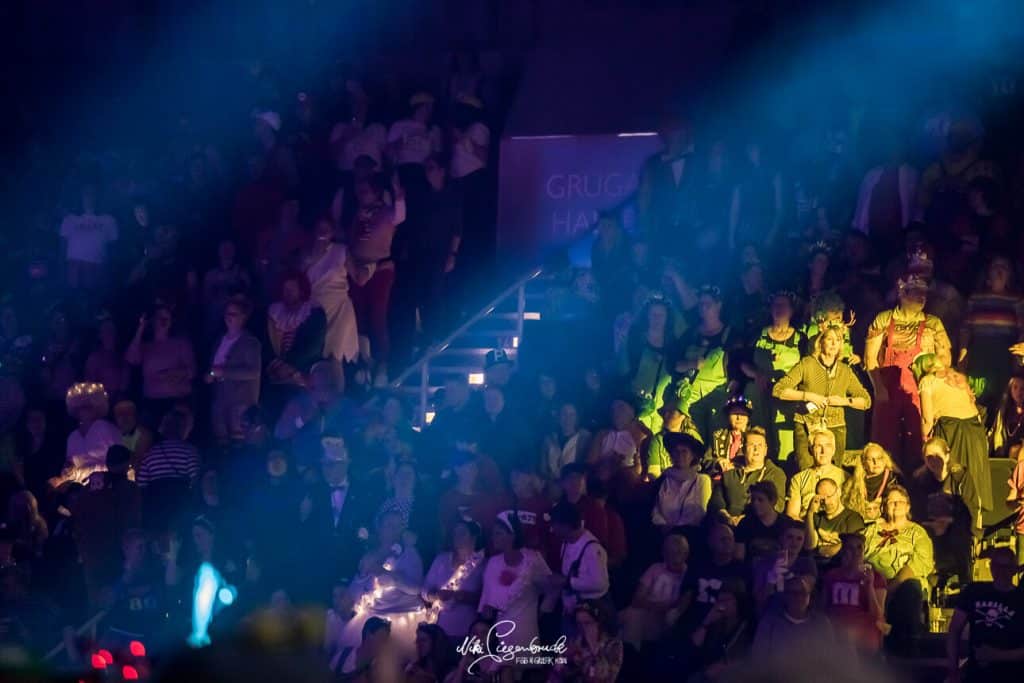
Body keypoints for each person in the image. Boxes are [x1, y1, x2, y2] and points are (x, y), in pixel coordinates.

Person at [864, 274, 952, 471]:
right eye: (916, 292)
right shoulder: (884, 319)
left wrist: (934, 382)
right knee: (884, 442)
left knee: (920, 440)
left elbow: (945, 358)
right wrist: (879, 389)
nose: (922, 297)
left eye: (924, 293)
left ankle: (920, 480)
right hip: (888, 390)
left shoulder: (933, 323)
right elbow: (870, 357)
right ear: (902, 293)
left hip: (920, 392)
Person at [773, 324, 871, 471]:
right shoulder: (807, 364)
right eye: (830, 339)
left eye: (838, 340)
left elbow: (866, 401)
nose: (834, 344)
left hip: (835, 427)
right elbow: (778, 390)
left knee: (833, 472)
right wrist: (808, 396)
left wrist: (844, 401)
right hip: (806, 424)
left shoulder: (845, 370)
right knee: (807, 471)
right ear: (821, 342)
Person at [341, 508, 426, 658]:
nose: (393, 530)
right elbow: (354, 592)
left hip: (402, 620)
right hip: (371, 619)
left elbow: (415, 588)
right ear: (379, 528)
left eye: (397, 526)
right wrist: (362, 576)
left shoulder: (409, 553)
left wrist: (387, 575)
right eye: (388, 525)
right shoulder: (369, 556)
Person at [914, 352, 992, 511]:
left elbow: (927, 421)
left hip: (951, 429)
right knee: (974, 479)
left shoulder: (927, 381)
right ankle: (975, 519)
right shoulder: (956, 378)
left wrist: (921, 439)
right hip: (975, 431)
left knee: (950, 478)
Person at [347, 173, 406, 384]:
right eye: (359, 191)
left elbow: (400, 215)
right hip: (356, 270)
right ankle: (364, 363)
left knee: (377, 316)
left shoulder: (387, 212)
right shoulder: (356, 215)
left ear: (376, 192)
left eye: (365, 191)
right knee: (358, 317)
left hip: (380, 268)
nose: (361, 195)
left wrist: (398, 194)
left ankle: (382, 364)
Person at [863, 485, 934, 655]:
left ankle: (907, 649)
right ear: (884, 506)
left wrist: (890, 587)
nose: (895, 505)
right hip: (872, 581)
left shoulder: (917, 533)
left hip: (901, 583)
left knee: (911, 588)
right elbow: (860, 554)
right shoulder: (872, 530)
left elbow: (919, 563)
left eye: (900, 501)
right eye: (891, 502)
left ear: (908, 506)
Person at [478, 511, 555, 651]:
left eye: (498, 533)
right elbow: (485, 602)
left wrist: (542, 613)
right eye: (493, 534)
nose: (493, 537)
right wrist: (487, 610)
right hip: (499, 632)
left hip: (526, 631)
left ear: (512, 535)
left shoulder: (533, 560)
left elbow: (551, 589)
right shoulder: (493, 563)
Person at [946, 547, 1024, 683]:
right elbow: (954, 630)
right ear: (991, 567)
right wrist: (953, 671)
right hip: (976, 675)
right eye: (998, 566)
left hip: (1011, 676)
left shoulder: (1020, 599)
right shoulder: (974, 591)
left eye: (1006, 567)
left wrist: (996, 655)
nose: (1001, 571)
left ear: (1014, 570)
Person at [911, 437, 981, 586]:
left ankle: (965, 585)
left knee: (960, 538)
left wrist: (948, 521)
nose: (933, 461)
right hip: (929, 525)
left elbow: (970, 507)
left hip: (956, 524)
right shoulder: (920, 479)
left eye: (938, 456)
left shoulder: (960, 476)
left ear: (947, 455)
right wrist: (932, 524)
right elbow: (917, 509)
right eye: (929, 457)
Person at [959, 256, 1024, 411]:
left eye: (1004, 267)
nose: (1000, 270)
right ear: (988, 273)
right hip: (979, 355)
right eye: (996, 266)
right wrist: (962, 354)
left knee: (1002, 401)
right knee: (976, 397)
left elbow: (1022, 330)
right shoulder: (975, 298)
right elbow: (966, 329)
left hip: (1004, 356)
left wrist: (1019, 358)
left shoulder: (1016, 300)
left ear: (1010, 275)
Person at [746, 290, 805, 462]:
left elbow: (807, 368)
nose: (779, 308)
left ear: (791, 310)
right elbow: (740, 362)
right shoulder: (758, 335)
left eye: (783, 305)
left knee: (785, 446)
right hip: (759, 396)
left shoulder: (801, 339)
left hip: (786, 399)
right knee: (758, 438)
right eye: (776, 305)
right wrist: (756, 374)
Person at [303, 216, 360, 364]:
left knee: (335, 354)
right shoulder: (305, 252)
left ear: (332, 232)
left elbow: (358, 277)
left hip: (339, 306)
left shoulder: (341, 250)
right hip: (316, 307)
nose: (322, 232)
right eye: (319, 229)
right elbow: (297, 275)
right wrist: (314, 255)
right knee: (316, 352)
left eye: (326, 229)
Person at [206, 295, 262, 443]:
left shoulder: (250, 342)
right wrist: (210, 375)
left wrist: (223, 372)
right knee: (222, 443)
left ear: (243, 317)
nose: (228, 317)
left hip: (240, 403)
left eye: (233, 314)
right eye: (227, 313)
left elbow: (253, 372)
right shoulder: (219, 340)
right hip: (220, 400)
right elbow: (213, 367)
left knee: (239, 443)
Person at [820, 533, 887, 655]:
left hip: (863, 630)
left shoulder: (876, 578)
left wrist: (869, 586)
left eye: (859, 547)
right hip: (835, 628)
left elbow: (878, 615)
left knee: (848, 637)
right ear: (843, 551)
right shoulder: (832, 575)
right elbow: (823, 607)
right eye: (850, 548)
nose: (855, 552)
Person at [621, 533, 691, 648]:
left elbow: (683, 604)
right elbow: (637, 599)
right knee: (632, 615)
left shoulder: (689, 575)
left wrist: (667, 609)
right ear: (664, 554)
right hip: (647, 613)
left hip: (669, 618)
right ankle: (629, 653)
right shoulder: (655, 569)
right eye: (670, 552)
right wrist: (659, 606)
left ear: (686, 554)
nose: (674, 557)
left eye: (678, 552)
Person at [547, 500, 610, 623]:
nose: (552, 529)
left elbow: (600, 583)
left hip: (590, 615)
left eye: (555, 525)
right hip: (571, 611)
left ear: (566, 525)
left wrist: (566, 581)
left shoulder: (592, 548)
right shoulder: (566, 543)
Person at [422, 519, 485, 641]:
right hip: (437, 631)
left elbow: (485, 599)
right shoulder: (441, 560)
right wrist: (436, 596)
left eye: (462, 533)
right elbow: (424, 590)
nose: (457, 536)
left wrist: (462, 597)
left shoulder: (482, 565)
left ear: (474, 537)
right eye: (455, 532)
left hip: (466, 632)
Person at [712, 426, 787, 525]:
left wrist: (745, 520)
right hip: (727, 524)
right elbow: (716, 501)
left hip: (759, 526)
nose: (756, 449)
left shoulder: (775, 474)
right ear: (743, 449)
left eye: (760, 445)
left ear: (765, 450)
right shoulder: (731, 471)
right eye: (751, 445)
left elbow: (778, 506)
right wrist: (727, 517)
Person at [265, 272, 327, 388]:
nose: (287, 293)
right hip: (277, 371)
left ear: (301, 291)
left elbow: (313, 346)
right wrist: (276, 364)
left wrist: (291, 366)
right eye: (285, 289)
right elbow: (268, 343)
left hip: (303, 371)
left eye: (291, 289)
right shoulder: (275, 313)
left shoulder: (313, 312)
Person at [686, 579, 752, 682]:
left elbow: (749, 660)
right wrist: (707, 621)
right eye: (719, 600)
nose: (721, 605)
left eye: (726, 600)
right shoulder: (717, 621)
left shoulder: (748, 626)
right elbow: (693, 646)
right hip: (707, 673)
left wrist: (724, 668)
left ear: (738, 601)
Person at [752, 575, 835, 656]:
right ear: (785, 595)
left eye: (803, 592)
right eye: (793, 593)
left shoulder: (821, 623)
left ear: (809, 596)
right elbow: (759, 657)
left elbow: (830, 655)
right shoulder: (769, 624)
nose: (798, 597)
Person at [57, 382, 121, 486]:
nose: (84, 410)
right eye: (80, 407)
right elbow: (69, 468)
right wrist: (68, 471)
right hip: (79, 489)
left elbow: (120, 461)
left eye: (88, 406)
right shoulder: (73, 437)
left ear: (97, 407)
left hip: (106, 486)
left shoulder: (105, 428)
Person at [60, 183, 118, 290]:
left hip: (98, 271)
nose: (90, 197)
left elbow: (113, 249)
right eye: (86, 193)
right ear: (81, 196)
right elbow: (62, 248)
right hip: (74, 271)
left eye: (93, 194)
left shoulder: (108, 220)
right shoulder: (69, 219)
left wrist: (107, 272)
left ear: (98, 196)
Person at [651, 432, 712, 530]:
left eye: (684, 451)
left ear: (693, 456)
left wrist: (676, 530)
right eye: (676, 451)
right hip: (662, 531)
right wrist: (663, 527)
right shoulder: (664, 479)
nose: (679, 455)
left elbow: (698, 513)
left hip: (690, 532)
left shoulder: (702, 480)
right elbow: (656, 510)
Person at [551, 602, 624, 683]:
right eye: (579, 624)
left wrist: (593, 647)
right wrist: (567, 658)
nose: (583, 628)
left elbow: (606, 679)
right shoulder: (573, 642)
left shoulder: (613, 645)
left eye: (587, 623)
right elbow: (556, 675)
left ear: (598, 623)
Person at [786, 429, 847, 520]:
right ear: (810, 450)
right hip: (805, 525)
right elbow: (792, 515)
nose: (823, 451)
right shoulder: (798, 479)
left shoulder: (845, 478)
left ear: (833, 450)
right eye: (818, 446)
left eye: (828, 446)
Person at [804, 478, 865, 563]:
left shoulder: (853, 518)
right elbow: (809, 546)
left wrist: (821, 550)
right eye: (822, 499)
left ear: (838, 492)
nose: (826, 502)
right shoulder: (816, 517)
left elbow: (853, 548)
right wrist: (810, 513)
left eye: (829, 496)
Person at [841, 443, 902, 523]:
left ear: (884, 460)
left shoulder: (894, 480)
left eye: (879, 458)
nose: (875, 462)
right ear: (864, 463)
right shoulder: (854, 482)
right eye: (870, 459)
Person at [83, 312, 130, 403]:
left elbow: (126, 380)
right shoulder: (94, 358)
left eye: (111, 330)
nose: (108, 333)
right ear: (99, 335)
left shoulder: (123, 355)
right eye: (105, 330)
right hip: (101, 404)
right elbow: (90, 384)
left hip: (122, 404)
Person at [735, 481, 786, 561]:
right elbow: (739, 557)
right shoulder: (745, 524)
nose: (755, 503)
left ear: (772, 501)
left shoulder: (785, 524)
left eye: (760, 500)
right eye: (753, 500)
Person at [704, 396, 752, 477]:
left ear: (748, 418)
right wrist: (717, 463)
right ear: (728, 416)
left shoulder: (754, 438)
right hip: (719, 479)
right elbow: (705, 461)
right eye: (734, 413)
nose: (738, 417)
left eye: (742, 414)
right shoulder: (717, 436)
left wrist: (736, 466)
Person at [990, 372, 1024, 459]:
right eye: (1015, 387)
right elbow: (997, 434)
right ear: (1010, 389)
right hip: (1003, 457)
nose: (1018, 392)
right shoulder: (1003, 411)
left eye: (1022, 389)